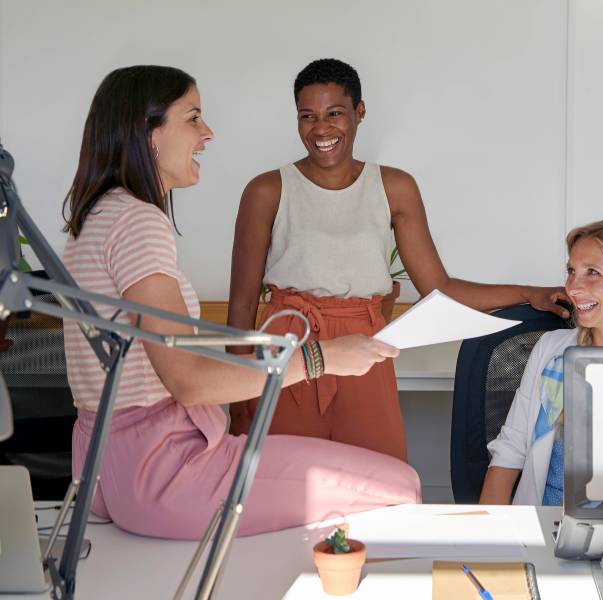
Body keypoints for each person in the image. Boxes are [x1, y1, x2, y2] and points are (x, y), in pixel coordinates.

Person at [61, 65, 420, 540]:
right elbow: (188, 382)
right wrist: (323, 357)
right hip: (165, 471)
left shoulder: (95, 217)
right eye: (193, 118)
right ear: (149, 133)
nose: (207, 133)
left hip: (104, 468)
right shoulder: (137, 222)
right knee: (400, 485)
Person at [227, 58, 570, 460]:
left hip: (364, 347)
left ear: (359, 112)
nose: (321, 129)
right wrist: (239, 393)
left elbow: (439, 288)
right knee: (283, 475)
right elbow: (243, 302)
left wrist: (530, 294)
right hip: (289, 345)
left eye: (334, 113)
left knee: (378, 475)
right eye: (308, 116)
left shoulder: (394, 187)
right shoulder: (267, 190)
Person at [479, 219, 603, 506]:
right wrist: (489, 531)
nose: (573, 288)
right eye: (571, 271)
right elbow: (510, 448)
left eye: (592, 272)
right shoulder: (550, 349)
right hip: (541, 523)